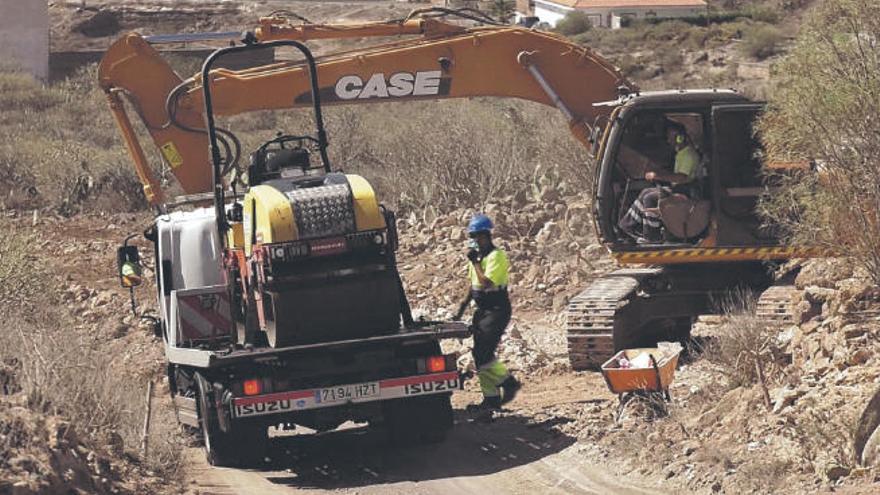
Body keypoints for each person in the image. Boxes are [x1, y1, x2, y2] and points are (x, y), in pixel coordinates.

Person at [454, 214, 521, 411]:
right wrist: (461, 310)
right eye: (472, 237)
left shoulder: (496, 256)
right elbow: (474, 287)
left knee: (483, 353)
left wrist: (475, 263)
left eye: (477, 237)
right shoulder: (478, 258)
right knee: (479, 354)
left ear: (486, 236)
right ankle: (490, 398)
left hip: (497, 310)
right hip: (482, 310)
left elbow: (486, 282)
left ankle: (508, 383)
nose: (474, 241)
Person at [618, 121, 700, 242]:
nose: (668, 140)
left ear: (680, 138)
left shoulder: (688, 155)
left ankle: (651, 236)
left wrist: (658, 176)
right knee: (646, 192)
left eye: (671, 137)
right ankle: (627, 225)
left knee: (650, 198)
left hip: (685, 191)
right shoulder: (681, 154)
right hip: (678, 188)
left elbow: (681, 178)